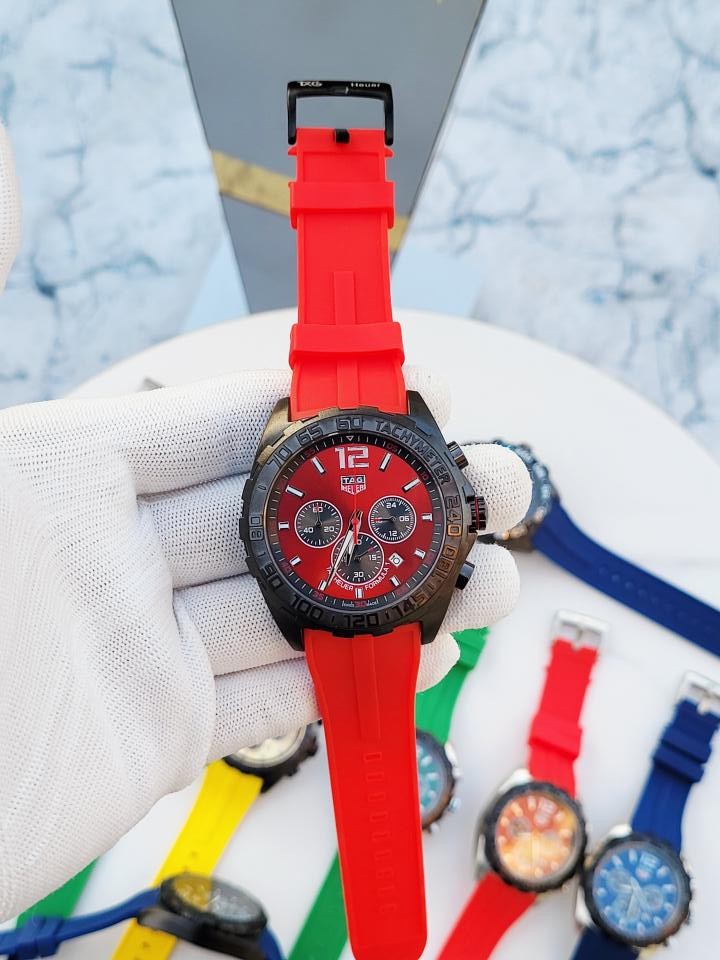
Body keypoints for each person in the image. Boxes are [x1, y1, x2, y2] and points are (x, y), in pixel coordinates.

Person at [0, 122, 531, 920]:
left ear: (462, 511)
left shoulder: (326, 506)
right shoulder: (349, 511)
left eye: (382, 523)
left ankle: (388, 925)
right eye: (328, 525)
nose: (356, 531)